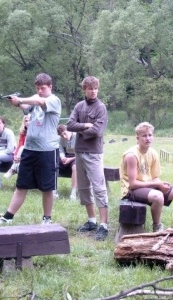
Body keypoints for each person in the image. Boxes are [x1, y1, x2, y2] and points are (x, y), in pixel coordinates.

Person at [0, 73, 61, 226]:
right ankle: (8, 217)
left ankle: (47, 218)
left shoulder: (54, 100)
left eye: (43, 88)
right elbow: (26, 106)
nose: (40, 91)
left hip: (48, 151)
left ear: (50, 87)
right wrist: (15, 101)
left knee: (47, 187)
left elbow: (39, 101)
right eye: (38, 88)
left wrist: (21, 99)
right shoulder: (35, 98)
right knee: (21, 185)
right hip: (29, 149)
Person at [120, 122, 173, 232]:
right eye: (144, 136)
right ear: (137, 138)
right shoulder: (131, 155)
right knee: (158, 196)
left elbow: (155, 177)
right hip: (131, 190)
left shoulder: (153, 153)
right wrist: (156, 185)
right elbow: (132, 184)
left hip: (148, 187)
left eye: (150, 135)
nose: (147, 138)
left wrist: (160, 185)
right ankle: (157, 227)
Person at [67, 76, 109, 241]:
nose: (93, 91)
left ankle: (104, 225)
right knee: (83, 188)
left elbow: (97, 131)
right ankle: (91, 220)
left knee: (99, 188)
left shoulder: (101, 108)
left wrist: (81, 130)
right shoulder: (79, 106)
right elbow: (69, 125)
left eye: (95, 88)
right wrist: (85, 125)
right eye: (90, 88)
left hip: (94, 153)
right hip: (79, 151)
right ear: (84, 89)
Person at [4, 114, 30, 179]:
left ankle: (12, 169)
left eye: (29, 121)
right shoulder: (23, 132)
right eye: (26, 121)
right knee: (21, 149)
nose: (27, 123)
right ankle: (14, 168)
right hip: (23, 153)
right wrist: (15, 156)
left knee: (22, 149)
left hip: (32, 152)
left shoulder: (35, 132)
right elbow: (20, 144)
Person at [57, 124, 77, 200]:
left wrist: (70, 159)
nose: (64, 137)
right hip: (66, 157)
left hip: (76, 158)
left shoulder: (77, 136)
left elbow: (81, 154)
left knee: (75, 167)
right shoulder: (60, 139)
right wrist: (62, 157)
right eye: (62, 136)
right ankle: (53, 191)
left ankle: (73, 193)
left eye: (65, 133)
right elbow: (61, 151)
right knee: (53, 164)